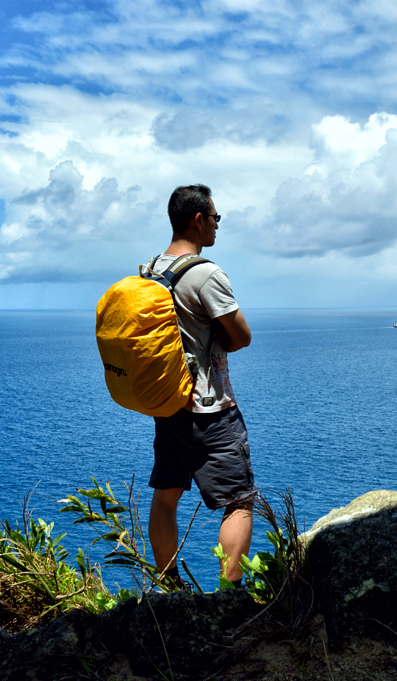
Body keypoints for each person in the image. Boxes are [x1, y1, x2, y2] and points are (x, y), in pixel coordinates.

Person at [146, 184, 254, 588]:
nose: (217, 226)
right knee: (239, 502)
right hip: (211, 410)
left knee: (166, 495)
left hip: (168, 404)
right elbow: (241, 336)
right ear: (198, 219)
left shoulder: (151, 271)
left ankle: (169, 586)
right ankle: (229, 595)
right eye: (216, 218)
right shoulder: (206, 273)